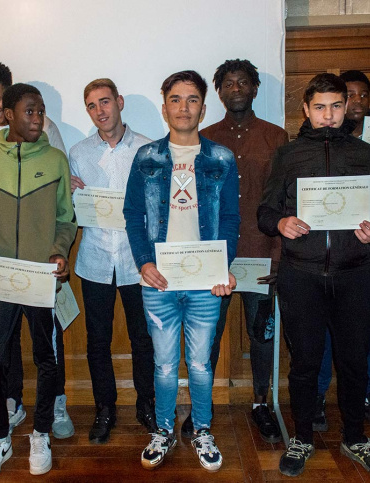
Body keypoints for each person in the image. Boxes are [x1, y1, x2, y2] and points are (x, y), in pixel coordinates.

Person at [124, 70, 240, 472]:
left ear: (203, 108)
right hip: (159, 281)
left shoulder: (222, 158)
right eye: (175, 99)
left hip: (206, 281)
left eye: (192, 100)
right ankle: (163, 429)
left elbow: (229, 218)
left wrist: (223, 267)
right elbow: (131, 214)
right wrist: (144, 262)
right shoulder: (147, 157)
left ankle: (202, 429)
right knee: (164, 365)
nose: (184, 107)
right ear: (164, 108)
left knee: (202, 364)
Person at [258, 73, 370, 477]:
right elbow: (265, 213)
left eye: (336, 106)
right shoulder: (287, 155)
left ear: (346, 107)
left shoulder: (365, 154)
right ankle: (302, 437)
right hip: (301, 275)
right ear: (305, 109)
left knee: (355, 362)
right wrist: (282, 223)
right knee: (305, 362)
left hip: (356, 274)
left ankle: (355, 436)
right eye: (319, 107)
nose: (328, 115)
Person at [0, 61, 73, 438]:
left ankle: (43, 429)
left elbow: (65, 218)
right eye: (30, 111)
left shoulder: (55, 157)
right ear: (9, 116)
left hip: (41, 277)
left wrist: (58, 251)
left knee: (47, 355)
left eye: (41, 111)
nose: (38, 117)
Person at [183, 59, 287, 443]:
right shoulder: (203, 138)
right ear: (220, 92)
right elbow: (189, 202)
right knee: (206, 336)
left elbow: (286, 200)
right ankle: (200, 407)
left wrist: (279, 254)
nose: (236, 88)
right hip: (214, 260)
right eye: (228, 83)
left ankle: (261, 404)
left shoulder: (276, 137)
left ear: (255, 89)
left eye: (244, 82)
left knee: (261, 336)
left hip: (262, 256)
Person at [69, 78, 156, 444]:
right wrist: (71, 193)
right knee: (97, 340)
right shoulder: (78, 152)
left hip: (138, 262)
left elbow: (158, 204)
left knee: (143, 338)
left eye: (105, 102)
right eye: (92, 106)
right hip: (95, 259)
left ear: (119, 102)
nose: (100, 111)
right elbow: (73, 209)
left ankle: (147, 405)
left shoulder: (149, 149)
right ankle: (105, 408)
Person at [314, 70, 370, 431]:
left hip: (359, 263)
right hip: (320, 264)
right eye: (327, 104)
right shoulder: (303, 150)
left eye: (356, 97)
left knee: (359, 342)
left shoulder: (363, 152)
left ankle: (360, 403)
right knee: (321, 341)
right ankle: (318, 400)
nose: (352, 104)